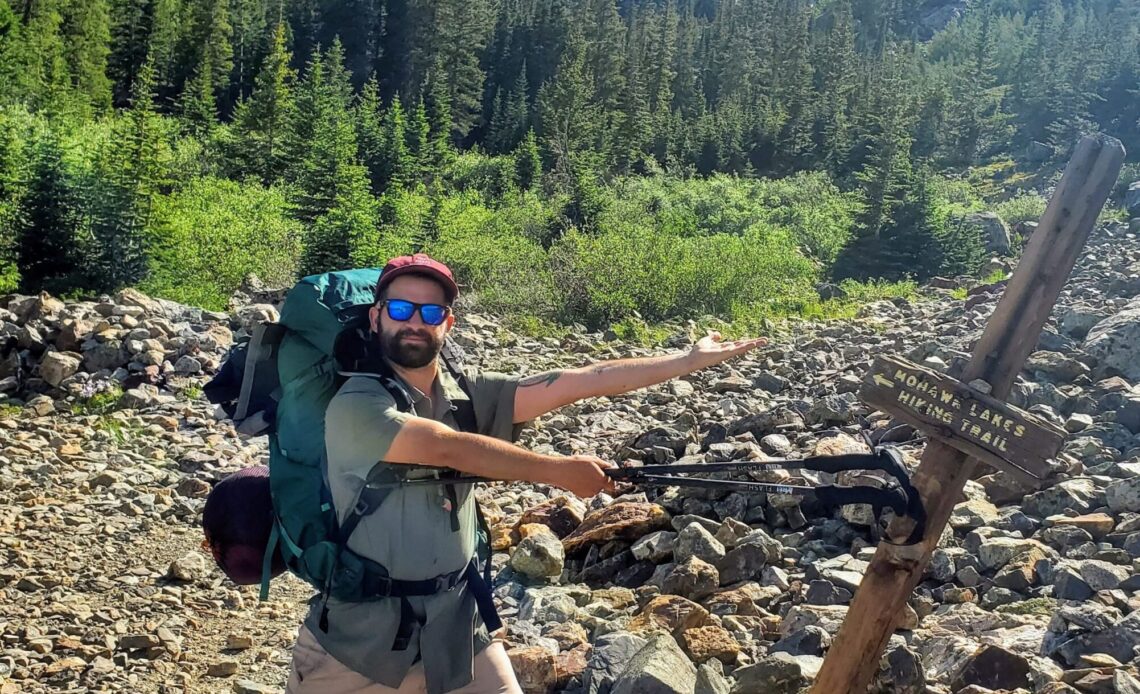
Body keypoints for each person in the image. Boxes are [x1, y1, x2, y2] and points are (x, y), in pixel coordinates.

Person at [286, 253, 766, 694]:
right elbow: (440, 444)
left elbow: (581, 379)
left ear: (447, 325)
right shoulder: (354, 404)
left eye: (430, 313)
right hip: (358, 648)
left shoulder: (467, 398)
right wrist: (559, 471)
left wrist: (687, 361)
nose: (415, 322)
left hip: (457, 630)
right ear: (376, 317)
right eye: (400, 309)